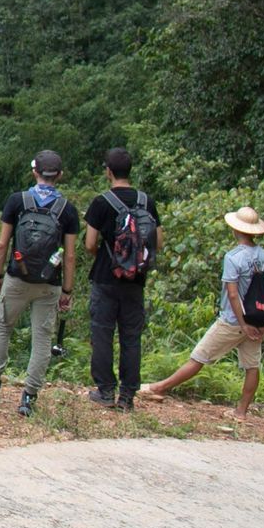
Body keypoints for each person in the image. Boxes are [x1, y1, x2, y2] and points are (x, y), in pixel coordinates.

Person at [0, 150, 79, 418]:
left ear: (35, 172)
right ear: (60, 176)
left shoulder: (17, 201)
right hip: (49, 283)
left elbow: (1, 243)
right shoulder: (67, 210)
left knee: (3, 326)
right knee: (42, 338)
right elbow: (69, 255)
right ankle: (29, 397)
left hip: (17, 277)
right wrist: (67, 290)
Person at [145, 207, 264, 419]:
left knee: (199, 356)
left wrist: (242, 324)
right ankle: (241, 412)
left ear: (236, 229)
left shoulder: (233, 257)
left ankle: (160, 387)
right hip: (258, 321)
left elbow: (232, 295)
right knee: (252, 366)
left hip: (233, 321)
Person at [84, 147, 162, 410]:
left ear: (108, 171)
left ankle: (105, 391)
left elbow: (90, 244)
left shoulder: (101, 202)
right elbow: (158, 241)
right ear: (131, 170)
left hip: (106, 276)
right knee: (131, 337)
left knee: (103, 334)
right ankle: (127, 396)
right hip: (136, 279)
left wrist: (109, 255)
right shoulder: (146, 201)